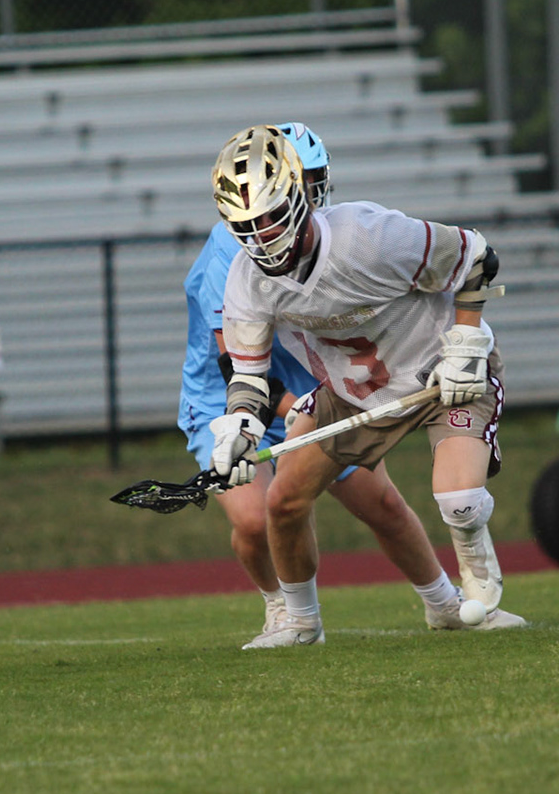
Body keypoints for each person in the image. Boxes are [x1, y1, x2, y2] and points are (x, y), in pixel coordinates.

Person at [211, 124, 526, 647]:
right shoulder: (247, 280)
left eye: (270, 216)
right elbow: (248, 375)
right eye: (246, 225)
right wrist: (240, 432)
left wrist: (466, 346)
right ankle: (301, 623)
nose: (262, 235)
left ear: (299, 198)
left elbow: (477, 257)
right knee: (283, 502)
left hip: (438, 374)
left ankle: (473, 562)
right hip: (352, 393)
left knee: (460, 500)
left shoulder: (367, 237)